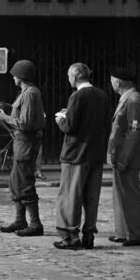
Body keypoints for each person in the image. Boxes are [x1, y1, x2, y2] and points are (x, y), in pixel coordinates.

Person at [52, 63, 110, 250]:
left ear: (76, 76)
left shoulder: (77, 96)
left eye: (69, 76)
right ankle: (89, 234)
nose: (69, 79)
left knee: (70, 195)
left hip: (76, 154)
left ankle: (70, 236)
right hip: (96, 153)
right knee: (91, 197)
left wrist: (61, 119)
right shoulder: (102, 95)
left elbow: (70, 127)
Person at [0, 59, 46, 236]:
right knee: (15, 182)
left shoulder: (30, 94)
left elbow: (25, 123)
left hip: (26, 143)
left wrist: (4, 118)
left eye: (15, 75)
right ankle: (20, 220)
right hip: (21, 143)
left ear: (21, 76)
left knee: (25, 183)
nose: (13, 79)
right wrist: (6, 109)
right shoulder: (26, 93)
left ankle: (35, 224)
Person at [107, 66, 140, 247]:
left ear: (118, 82)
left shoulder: (133, 101)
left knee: (130, 195)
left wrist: (124, 157)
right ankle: (124, 232)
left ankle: (137, 233)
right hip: (120, 155)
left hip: (127, 157)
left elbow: (134, 132)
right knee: (121, 195)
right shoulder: (127, 99)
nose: (111, 84)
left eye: (112, 81)